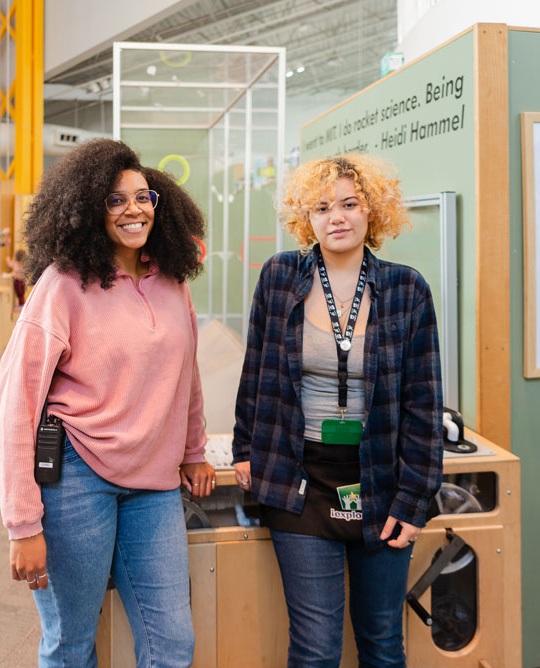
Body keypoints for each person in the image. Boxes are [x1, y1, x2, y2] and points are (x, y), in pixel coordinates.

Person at [0, 138, 216, 668]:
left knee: (173, 645)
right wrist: (22, 525)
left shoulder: (172, 280)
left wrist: (193, 449)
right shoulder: (62, 285)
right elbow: (17, 409)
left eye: (143, 197)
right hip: (75, 477)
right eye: (116, 200)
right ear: (90, 209)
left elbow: (187, 373)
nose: (134, 209)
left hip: (155, 486)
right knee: (71, 645)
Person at [232, 154, 443, 667]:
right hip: (300, 480)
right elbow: (256, 367)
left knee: (383, 645)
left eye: (350, 204)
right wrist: (244, 447)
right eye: (322, 207)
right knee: (316, 650)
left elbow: (424, 401)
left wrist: (414, 498)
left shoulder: (405, 289)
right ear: (308, 218)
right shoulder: (281, 276)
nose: (337, 217)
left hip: (381, 482)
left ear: (374, 211)